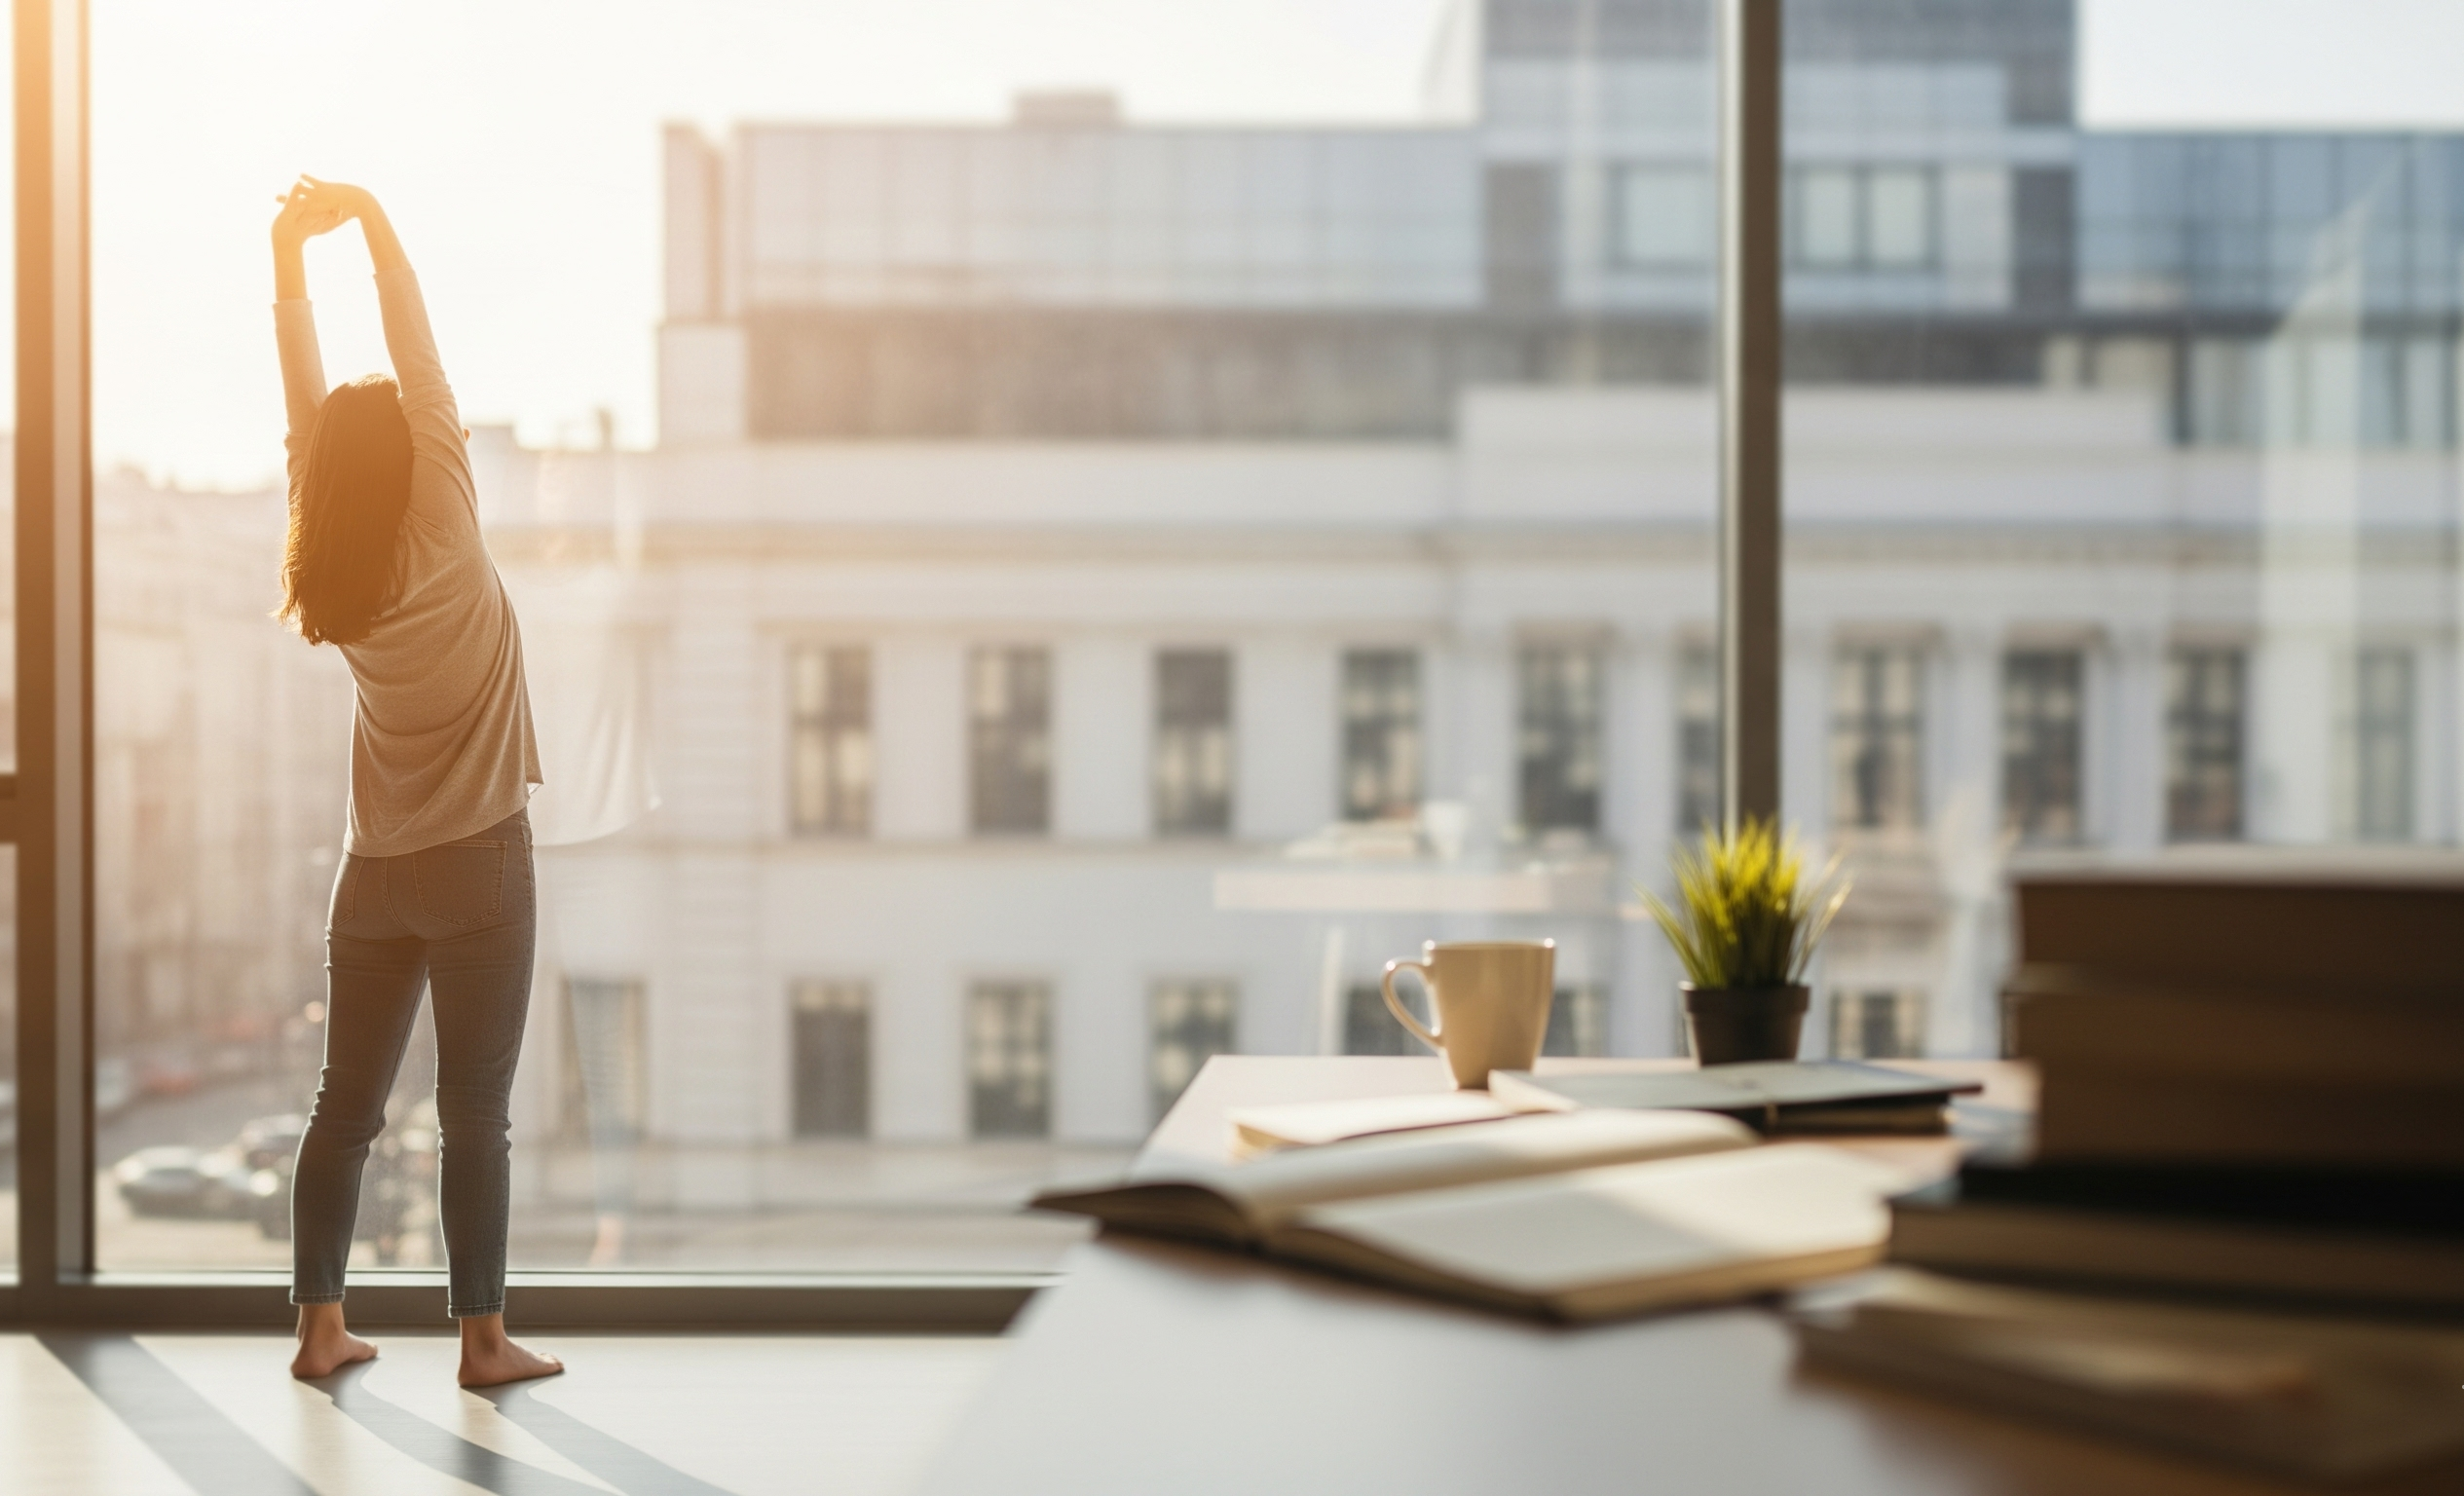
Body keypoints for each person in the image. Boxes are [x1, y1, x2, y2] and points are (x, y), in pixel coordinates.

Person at [270, 175, 559, 1387]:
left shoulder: (332, 563)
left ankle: (319, 1331)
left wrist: (289, 267)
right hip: (481, 862)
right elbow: (416, 351)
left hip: (372, 875)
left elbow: (308, 416)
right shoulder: (445, 515)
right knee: (473, 1116)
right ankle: (482, 1344)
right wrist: (372, 222)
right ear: (424, 454)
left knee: (346, 1111)